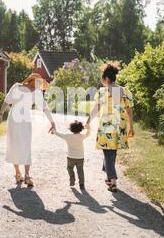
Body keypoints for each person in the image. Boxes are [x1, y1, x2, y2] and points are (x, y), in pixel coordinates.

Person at [0, 73, 56, 187]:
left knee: (26, 146)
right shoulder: (16, 87)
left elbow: (44, 107)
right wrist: (0, 114)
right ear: (32, 81)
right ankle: (17, 172)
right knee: (13, 145)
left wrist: (52, 121)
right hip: (13, 119)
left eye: (40, 83)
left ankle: (27, 175)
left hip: (25, 121)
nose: (39, 85)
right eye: (38, 83)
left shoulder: (36, 93)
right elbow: (7, 101)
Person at [86, 63, 135, 192]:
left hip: (107, 127)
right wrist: (131, 127)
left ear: (106, 79)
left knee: (108, 153)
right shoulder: (125, 91)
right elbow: (129, 110)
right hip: (120, 126)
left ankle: (112, 182)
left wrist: (88, 121)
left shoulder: (103, 91)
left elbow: (96, 108)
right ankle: (108, 174)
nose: (102, 82)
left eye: (102, 80)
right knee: (111, 152)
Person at [51, 120, 91, 190]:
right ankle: (82, 184)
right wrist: (89, 128)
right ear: (81, 129)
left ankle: (72, 179)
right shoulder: (81, 136)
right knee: (80, 170)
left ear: (71, 129)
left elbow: (59, 134)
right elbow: (88, 134)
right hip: (80, 157)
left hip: (71, 157)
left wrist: (54, 131)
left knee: (69, 168)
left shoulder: (68, 136)